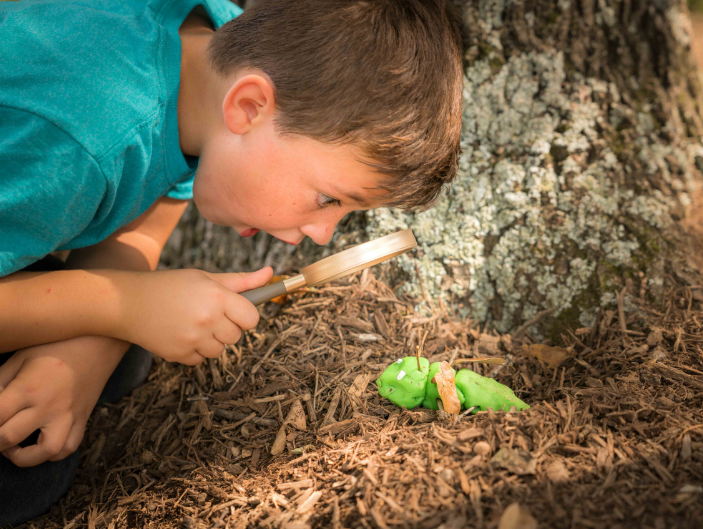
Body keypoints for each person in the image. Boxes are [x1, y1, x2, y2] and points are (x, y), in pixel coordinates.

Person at [0, 0, 462, 524]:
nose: (320, 234)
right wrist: (122, 307)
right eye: (329, 199)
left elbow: (155, 207)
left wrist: (88, 350)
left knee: (116, 361)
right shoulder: (74, 139)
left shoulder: (212, 48)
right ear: (247, 107)